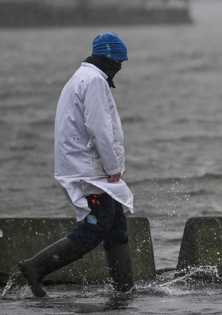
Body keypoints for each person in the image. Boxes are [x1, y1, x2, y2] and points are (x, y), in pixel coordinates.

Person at [19, 32, 136, 297]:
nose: (119, 68)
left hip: (85, 167)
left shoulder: (82, 78)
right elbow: (99, 128)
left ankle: (125, 288)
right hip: (91, 171)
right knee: (95, 228)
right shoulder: (94, 80)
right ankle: (36, 267)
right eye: (118, 62)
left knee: (116, 226)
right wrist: (112, 166)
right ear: (108, 59)